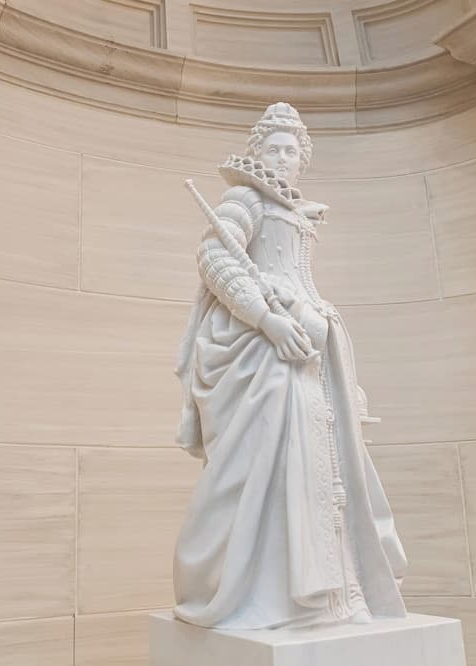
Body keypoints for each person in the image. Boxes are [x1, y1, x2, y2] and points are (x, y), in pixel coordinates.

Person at [172, 102, 408, 630]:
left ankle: (335, 593)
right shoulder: (245, 198)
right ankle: (271, 594)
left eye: (291, 150)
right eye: (273, 148)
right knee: (266, 464)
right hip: (261, 346)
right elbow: (214, 258)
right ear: (257, 152)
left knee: (330, 462)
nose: (282, 157)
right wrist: (266, 320)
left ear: (303, 159)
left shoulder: (299, 210)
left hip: (314, 345)